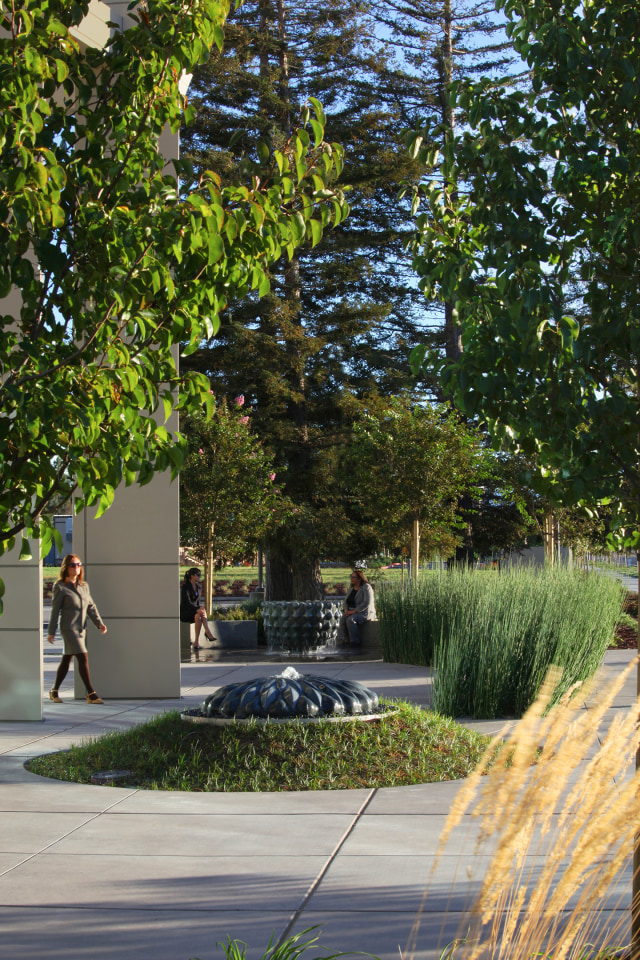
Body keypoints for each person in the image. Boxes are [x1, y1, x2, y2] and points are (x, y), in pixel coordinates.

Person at [47, 554, 107, 704]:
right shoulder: (60, 587)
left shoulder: (84, 586)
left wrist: (99, 623)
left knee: (67, 659)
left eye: (79, 565)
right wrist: (51, 632)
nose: (77, 568)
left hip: (81, 629)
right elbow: (55, 611)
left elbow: (91, 607)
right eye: (73, 565)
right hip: (68, 629)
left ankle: (54, 690)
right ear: (66, 568)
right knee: (82, 656)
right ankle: (91, 693)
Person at [336, 569, 376, 646]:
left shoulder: (366, 587)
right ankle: (344, 640)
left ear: (359, 579)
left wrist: (354, 611)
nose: (351, 578)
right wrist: (346, 610)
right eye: (351, 577)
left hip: (364, 612)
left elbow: (366, 602)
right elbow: (346, 601)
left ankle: (355, 642)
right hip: (350, 611)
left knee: (350, 620)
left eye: (353, 577)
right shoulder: (351, 588)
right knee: (341, 619)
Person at [180, 567, 215, 649]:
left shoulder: (199, 587)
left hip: (195, 613)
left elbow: (198, 602)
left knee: (198, 615)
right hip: (186, 612)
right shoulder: (185, 587)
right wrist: (197, 609)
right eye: (198, 575)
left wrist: (199, 609)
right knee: (200, 612)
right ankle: (207, 632)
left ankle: (196, 642)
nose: (200, 577)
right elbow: (187, 602)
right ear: (192, 576)